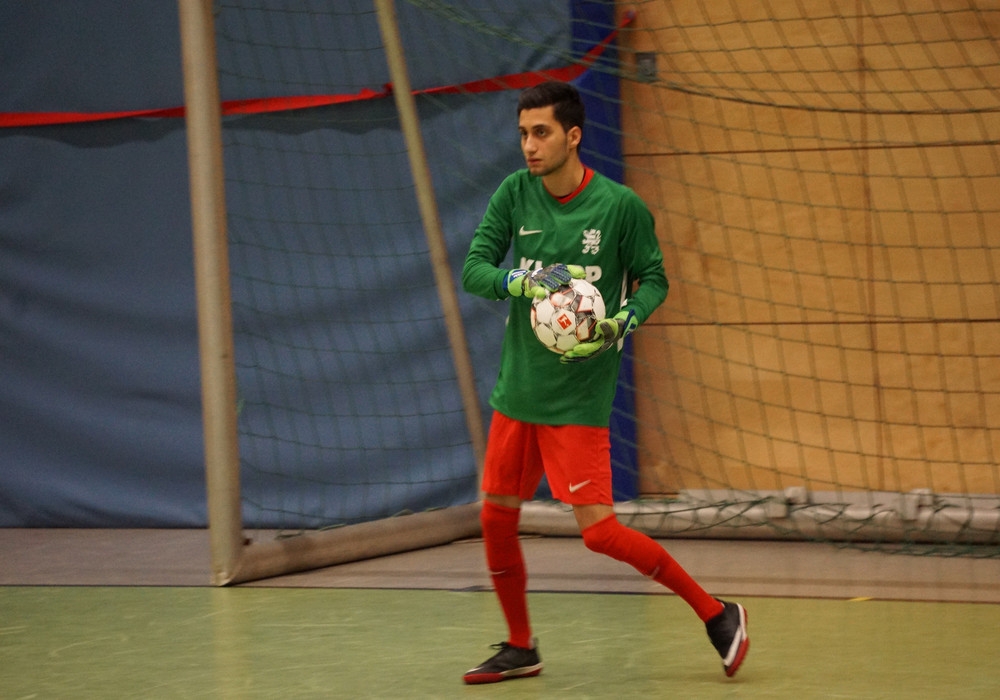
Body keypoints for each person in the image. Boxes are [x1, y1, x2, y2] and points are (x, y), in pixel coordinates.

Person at [460, 81, 749, 684]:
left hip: (578, 398)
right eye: (523, 134)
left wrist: (623, 320)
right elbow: (475, 269)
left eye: (541, 133)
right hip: (518, 393)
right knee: (495, 518)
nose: (529, 146)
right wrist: (519, 282)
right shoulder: (514, 193)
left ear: (573, 136)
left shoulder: (620, 207)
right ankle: (521, 646)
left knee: (599, 534)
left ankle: (717, 613)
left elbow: (654, 279)